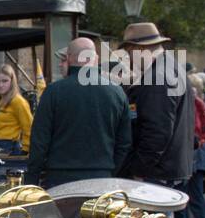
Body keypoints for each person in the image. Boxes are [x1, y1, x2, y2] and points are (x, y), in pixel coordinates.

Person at [118, 21, 193, 218]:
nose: (128, 59)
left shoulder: (157, 77)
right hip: (170, 165)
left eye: (128, 53)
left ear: (138, 49)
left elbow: (157, 131)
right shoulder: (171, 68)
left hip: (157, 171)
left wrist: (140, 169)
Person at [26, 37, 132, 188]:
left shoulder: (53, 92)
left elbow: (39, 141)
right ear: (95, 58)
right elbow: (124, 142)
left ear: (69, 58)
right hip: (101, 178)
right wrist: (110, 170)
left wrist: (31, 180)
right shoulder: (117, 92)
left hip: (60, 179)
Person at [183, 73, 205, 218]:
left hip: (193, 154)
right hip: (196, 154)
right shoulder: (198, 102)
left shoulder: (193, 104)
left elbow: (202, 130)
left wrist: (197, 142)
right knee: (193, 198)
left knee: (192, 199)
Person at [0, 64, 33, 154]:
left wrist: (25, 151)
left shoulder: (18, 101)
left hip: (10, 150)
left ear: (12, 81)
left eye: (5, 81)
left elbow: (29, 128)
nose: (1, 85)